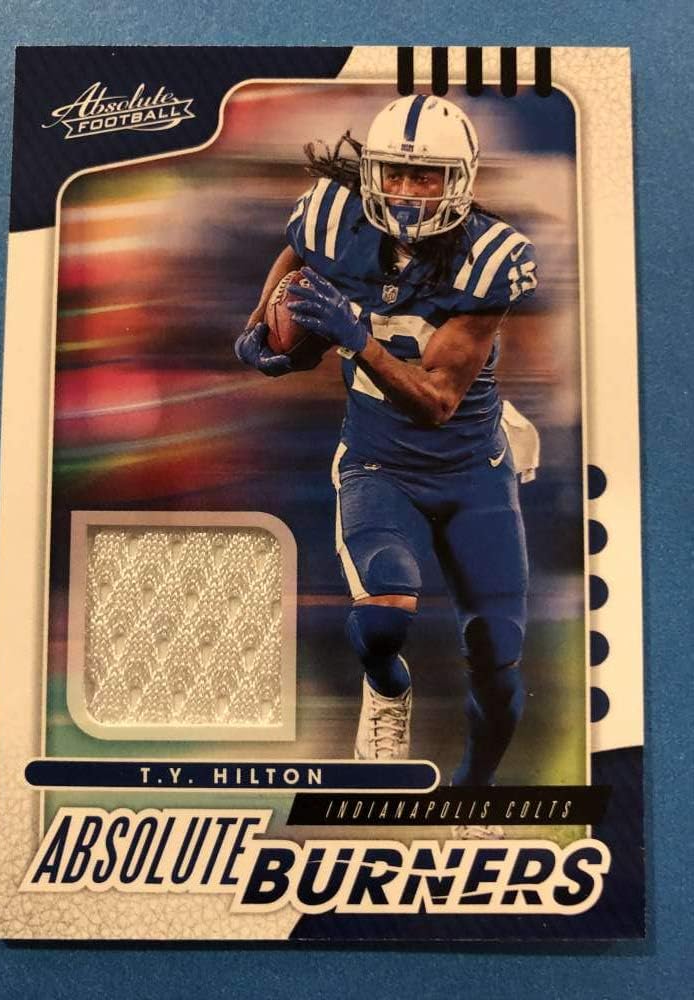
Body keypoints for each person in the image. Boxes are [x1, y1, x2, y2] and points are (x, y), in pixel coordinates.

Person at [235, 95, 539, 831]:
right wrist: (264, 329)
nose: (406, 191)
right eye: (396, 173)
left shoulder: (491, 258)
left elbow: (436, 399)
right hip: (378, 461)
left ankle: (473, 794)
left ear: (460, 180)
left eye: (426, 176)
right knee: (383, 615)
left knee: (498, 655)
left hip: (472, 468)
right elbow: (298, 258)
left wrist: (354, 338)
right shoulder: (330, 215)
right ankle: (386, 692)